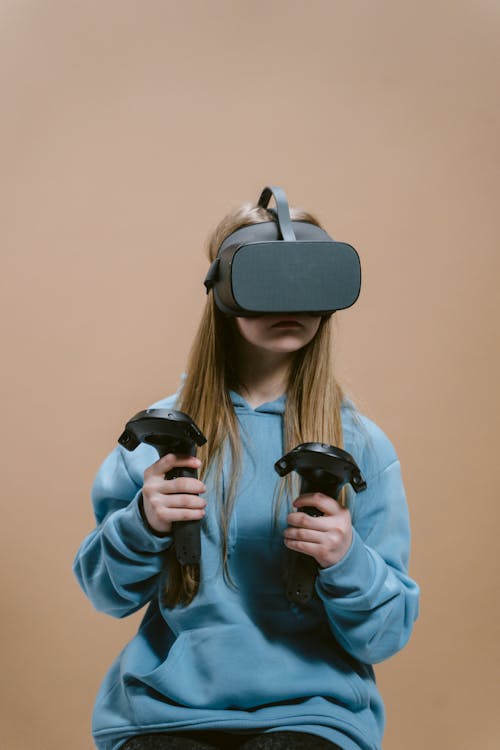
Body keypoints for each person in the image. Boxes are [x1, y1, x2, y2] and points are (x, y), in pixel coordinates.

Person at [74, 190, 420, 750]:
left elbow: (385, 634)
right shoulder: (161, 434)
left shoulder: (358, 446)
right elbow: (106, 593)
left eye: (307, 282)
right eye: (267, 282)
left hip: (312, 716)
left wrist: (345, 558)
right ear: (223, 293)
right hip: (166, 714)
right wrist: (143, 522)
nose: (290, 303)